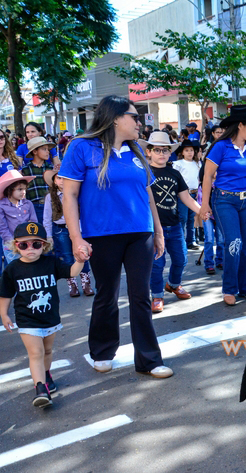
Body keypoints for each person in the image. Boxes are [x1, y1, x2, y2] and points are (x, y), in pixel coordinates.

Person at [59, 95, 174, 378]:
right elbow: (70, 195)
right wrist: (76, 238)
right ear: (114, 118)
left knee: (140, 296)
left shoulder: (136, 151)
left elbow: (148, 195)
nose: (139, 122)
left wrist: (158, 231)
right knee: (107, 294)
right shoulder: (81, 147)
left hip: (140, 234)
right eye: (134, 117)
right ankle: (102, 350)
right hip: (102, 234)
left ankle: (149, 359)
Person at [0, 221, 84, 407]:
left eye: (36, 244)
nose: (30, 248)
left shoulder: (51, 263)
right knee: (36, 352)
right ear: (16, 246)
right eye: (24, 244)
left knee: (46, 351)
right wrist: (4, 315)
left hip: (50, 318)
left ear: (44, 245)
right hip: (27, 320)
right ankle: (40, 389)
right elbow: (5, 294)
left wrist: (80, 261)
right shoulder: (12, 269)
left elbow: (71, 272)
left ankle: (46, 374)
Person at [201, 104, 246, 305]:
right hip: (224, 201)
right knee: (233, 242)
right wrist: (205, 205)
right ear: (240, 125)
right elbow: (207, 176)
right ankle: (229, 289)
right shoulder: (220, 146)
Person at [143, 132, 206, 312]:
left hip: (175, 225)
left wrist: (202, 211)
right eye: (157, 150)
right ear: (149, 152)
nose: (161, 153)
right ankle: (157, 295)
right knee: (157, 264)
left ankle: (173, 284)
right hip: (154, 228)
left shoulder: (174, 173)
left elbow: (185, 197)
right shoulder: (144, 173)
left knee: (181, 259)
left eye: (165, 150)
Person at [43, 172, 94, 297]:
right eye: (59, 178)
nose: (62, 180)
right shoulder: (50, 197)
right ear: (54, 181)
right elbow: (47, 217)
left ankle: (86, 283)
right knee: (67, 256)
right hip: (61, 229)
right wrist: (48, 235)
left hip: (78, 228)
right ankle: (72, 284)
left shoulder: (77, 194)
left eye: (65, 177)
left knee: (83, 254)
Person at [0, 170, 37, 263]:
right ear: (9, 189)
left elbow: (34, 223)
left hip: (29, 243)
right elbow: (2, 228)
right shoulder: (2, 206)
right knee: (15, 270)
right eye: (20, 189)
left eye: (25, 189)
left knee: (29, 269)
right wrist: (13, 243)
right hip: (11, 244)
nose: (23, 192)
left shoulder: (28, 204)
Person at [173, 139, 202, 252]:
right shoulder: (178, 164)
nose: (190, 152)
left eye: (191, 150)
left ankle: (191, 240)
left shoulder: (197, 163)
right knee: (183, 218)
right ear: (182, 152)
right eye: (187, 150)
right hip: (183, 194)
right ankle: (180, 240)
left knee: (192, 218)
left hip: (195, 193)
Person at [20, 137, 56, 224]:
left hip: (51, 205)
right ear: (35, 152)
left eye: (48, 149)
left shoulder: (51, 169)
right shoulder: (25, 170)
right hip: (34, 206)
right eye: (44, 149)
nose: (48, 152)